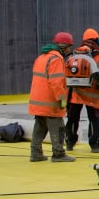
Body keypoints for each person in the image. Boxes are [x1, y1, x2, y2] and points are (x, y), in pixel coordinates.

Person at [28, 31, 76, 162]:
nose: (69, 50)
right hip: (50, 102)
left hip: (37, 101)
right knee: (59, 127)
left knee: (40, 126)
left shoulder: (42, 57)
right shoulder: (56, 59)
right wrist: (62, 98)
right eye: (69, 47)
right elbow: (56, 81)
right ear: (64, 47)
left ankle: (35, 153)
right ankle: (59, 154)